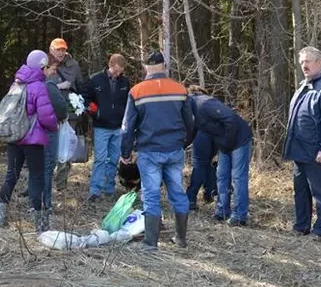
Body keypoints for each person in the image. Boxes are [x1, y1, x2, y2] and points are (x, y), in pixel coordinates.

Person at [120, 50, 194, 251]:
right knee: (178, 193)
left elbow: (127, 127)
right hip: (174, 149)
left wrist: (126, 153)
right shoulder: (180, 89)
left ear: (146, 67)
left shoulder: (137, 91)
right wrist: (183, 143)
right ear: (164, 66)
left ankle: (151, 243)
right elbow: (191, 122)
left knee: (151, 195)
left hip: (149, 150)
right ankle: (180, 239)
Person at [0, 50, 59, 232]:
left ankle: (0, 214)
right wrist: (54, 127)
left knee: (11, 175)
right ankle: (39, 222)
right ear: (42, 66)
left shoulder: (17, 83)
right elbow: (46, 116)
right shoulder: (38, 86)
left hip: (15, 137)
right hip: (33, 139)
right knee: (37, 177)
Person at [283, 46, 321, 240]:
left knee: (320, 193)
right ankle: (301, 226)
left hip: (317, 151)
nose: (304, 65)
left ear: (319, 62)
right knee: (300, 191)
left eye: (307, 61)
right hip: (299, 150)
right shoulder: (304, 85)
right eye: (302, 62)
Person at [188, 87, 253, 226]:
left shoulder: (204, 103)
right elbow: (191, 133)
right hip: (224, 143)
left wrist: (227, 142)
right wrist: (179, 148)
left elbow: (230, 118)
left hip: (239, 139)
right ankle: (222, 211)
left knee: (237, 177)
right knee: (222, 175)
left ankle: (239, 215)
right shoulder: (191, 111)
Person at [83, 53, 131, 201]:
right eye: (116, 71)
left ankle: (109, 188)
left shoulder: (125, 82)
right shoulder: (95, 79)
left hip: (118, 127)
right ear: (110, 65)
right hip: (101, 126)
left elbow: (129, 102)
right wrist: (94, 111)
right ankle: (95, 190)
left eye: (120, 71)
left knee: (114, 158)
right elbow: (84, 98)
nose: (118, 74)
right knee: (100, 159)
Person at [47, 38, 86, 192]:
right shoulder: (45, 64)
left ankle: (61, 185)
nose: (61, 52)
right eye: (58, 49)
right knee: (48, 147)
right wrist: (56, 86)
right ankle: (45, 181)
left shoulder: (73, 65)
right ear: (51, 50)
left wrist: (80, 104)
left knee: (66, 148)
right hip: (48, 112)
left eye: (63, 49)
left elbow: (81, 86)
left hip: (69, 112)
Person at [41, 60, 69, 212]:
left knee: (36, 167)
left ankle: (34, 201)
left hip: (28, 133)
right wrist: (62, 117)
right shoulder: (48, 85)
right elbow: (60, 106)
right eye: (51, 68)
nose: (53, 71)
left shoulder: (23, 83)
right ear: (44, 68)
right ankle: (46, 204)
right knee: (47, 166)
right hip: (48, 130)